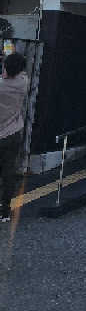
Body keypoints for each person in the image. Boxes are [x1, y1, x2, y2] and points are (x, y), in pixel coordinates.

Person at [0, 52, 27, 223]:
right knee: (8, 172)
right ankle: (4, 212)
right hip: (13, 134)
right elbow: (21, 71)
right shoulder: (23, 83)